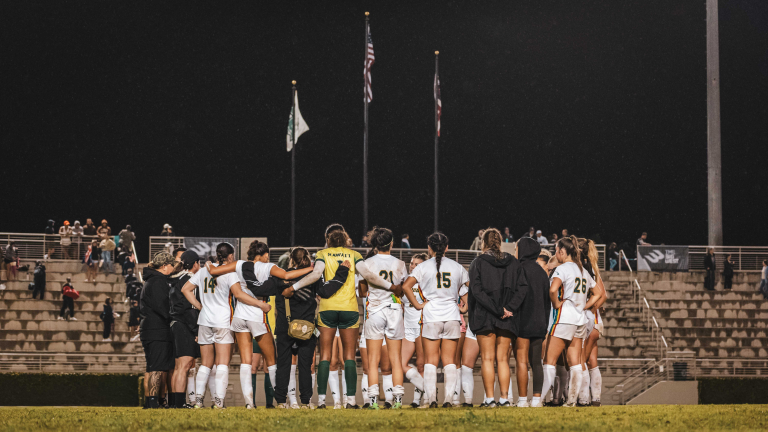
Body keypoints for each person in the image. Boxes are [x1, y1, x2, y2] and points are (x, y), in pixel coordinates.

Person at [285, 224, 397, 409]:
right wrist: (391, 286)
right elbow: (369, 275)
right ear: (346, 241)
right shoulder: (354, 255)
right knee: (349, 357)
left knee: (325, 356)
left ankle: (321, 401)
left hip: (327, 308)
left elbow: (315, 275)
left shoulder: (322, 254)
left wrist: (294, 287)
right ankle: (350, 401)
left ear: (328, 240)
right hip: (349, 309)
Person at [203, 241, 314, 409]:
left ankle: (249, 403)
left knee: (246, 362)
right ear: (265, 254)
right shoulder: (268, 266)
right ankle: (282, 401)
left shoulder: (239, 264)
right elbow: (287, 276)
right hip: (257, 315)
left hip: (239, 317)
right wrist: (311, 269)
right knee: (272, 361)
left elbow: (213, 270)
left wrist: (208, 263)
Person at [249, 247, 349, 409]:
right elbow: (326, 291)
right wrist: (342, 271)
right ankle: (305, 401)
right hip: (306, 328)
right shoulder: (313, 277)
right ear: (307, 260)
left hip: (284, 327)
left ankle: (281, 400)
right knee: (305, 365)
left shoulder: (280, 277)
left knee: (283, 364)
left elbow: (260, 289)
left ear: (291, 260)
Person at [402, 232, 468, 409]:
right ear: (447, 247)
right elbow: (470, 289)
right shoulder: (457, 266)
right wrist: (464, 307)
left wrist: (417, 305)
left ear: (429, 248)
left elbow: (406, 286)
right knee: (450, 361)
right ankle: (448, 400)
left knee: (430, 360)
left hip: (431, 317)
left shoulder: (423, 267)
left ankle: (431, 400)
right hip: (452, 317)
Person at [539, 237, 603, 407]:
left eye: (556, 250)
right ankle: (573, 400)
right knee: (575, 362)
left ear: (562, 251)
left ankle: (540, 400)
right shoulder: (582, 270)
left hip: (564, 318)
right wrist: (584, 306)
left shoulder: (563, 268)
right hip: (580, 320)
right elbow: (597, 293)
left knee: (549, 361)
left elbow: (553, 289)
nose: (555, 254)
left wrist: (556, 303)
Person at [467, 228, 519, 408]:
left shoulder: (478, 262)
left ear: (483, 243)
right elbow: (522, 288)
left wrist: (497, 310)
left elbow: (476, 292)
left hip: (485, 315)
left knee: (487, 359)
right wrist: (508, 309)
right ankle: (504, 399)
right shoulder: (513, 262)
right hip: (507, 316)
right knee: (503, 359)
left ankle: (489, 399)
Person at [359, 227, 408, 410]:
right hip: (394, 310)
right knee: (396, 359)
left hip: (375, 311)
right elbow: (402, 289)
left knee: (373, 360)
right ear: (392, 243)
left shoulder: (367, 263)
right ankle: (397, 400)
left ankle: (372, 401)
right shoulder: (400, 264)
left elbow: (363, 292)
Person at [509, 237, 550, 408]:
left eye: (517, 248)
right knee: (536, 363)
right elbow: (547, 300)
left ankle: (522, 399)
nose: (515, 251)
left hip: (521, 321)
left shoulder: (517, 269)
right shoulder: (541, 272)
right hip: (539, 321)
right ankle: (536, 399)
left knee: (521, 361)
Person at [139, 252, 177, 409]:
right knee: (156, 368)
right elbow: (163, 307)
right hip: (157, 329)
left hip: (150, 328)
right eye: (171, 265)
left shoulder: (152, 280)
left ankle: (151, 402)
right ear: (164, 266)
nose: (173, 268)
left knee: (152, 367)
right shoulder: (158, 281)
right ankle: (153, 402)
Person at [576, 238, 608, 407]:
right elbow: (603, 295)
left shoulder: (585, 270)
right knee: (592, 361)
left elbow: (602, 295)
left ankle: (583, 399)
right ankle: (595, 399)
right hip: (596, 322)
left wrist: (589, 308)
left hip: (589, 321)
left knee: (581, 360)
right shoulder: (593, 268)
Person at [168, 250, 201, 408]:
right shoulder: (190, 280)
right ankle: (179, 403)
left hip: (175, 324)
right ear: (195, 264)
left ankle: (176, 402)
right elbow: (190, 308)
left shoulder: (178, 278)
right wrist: (195, 330)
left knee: (178, 366)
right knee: (185, 365)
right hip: (183, 324)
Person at [401, 253, 428, 407]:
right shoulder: (405, 281)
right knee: (400, 363)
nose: (413, 266)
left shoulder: (426, 282)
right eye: (412, 263)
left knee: (421, 365)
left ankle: (417, 400)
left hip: (421, 325)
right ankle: (428, 390)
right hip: (408, 327)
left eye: (417, 264)